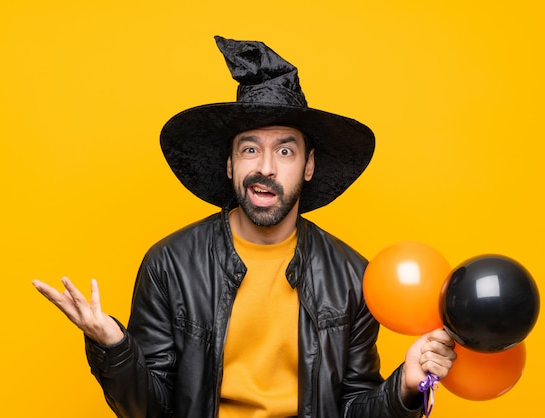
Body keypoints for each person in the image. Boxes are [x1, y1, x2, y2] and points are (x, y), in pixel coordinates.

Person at [33, 36, 456, 418]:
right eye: (250, 149)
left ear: (308, 166)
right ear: (231, 163)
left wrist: (404, 385)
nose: (266, 168)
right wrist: (115, 349)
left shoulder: (352, 277)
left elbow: (353, 407)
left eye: (285, 151)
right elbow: (150, 411)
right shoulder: (170, 264)